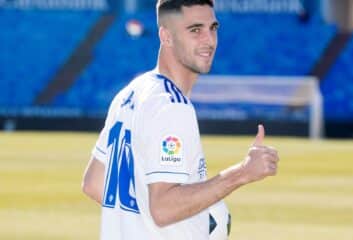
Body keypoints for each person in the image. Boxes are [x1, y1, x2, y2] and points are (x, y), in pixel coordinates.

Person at [82, 0, 280, 239]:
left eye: (213, 28)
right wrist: (243, 173)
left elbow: (94, 182)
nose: (209, 40)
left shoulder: (131, 93)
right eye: (195, 30)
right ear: (166, 36)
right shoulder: (172, 107)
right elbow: (163, 209)